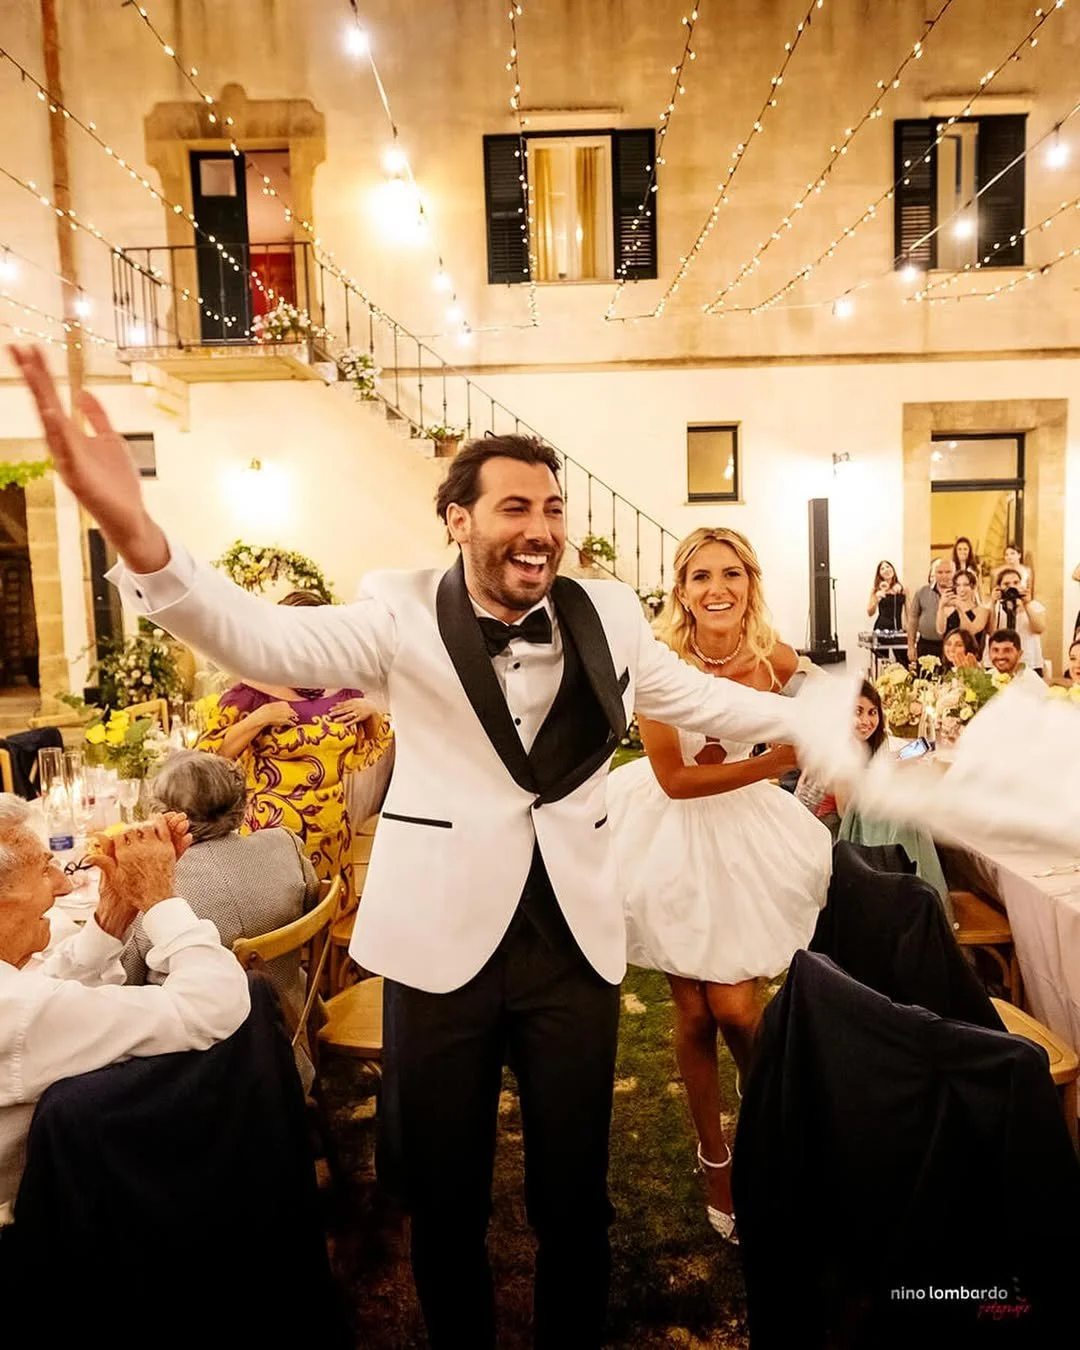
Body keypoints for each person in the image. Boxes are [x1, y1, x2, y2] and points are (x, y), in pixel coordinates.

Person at [8, 343, 858, 1350]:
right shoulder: (396, 611)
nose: (540, 528)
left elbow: (697, 696)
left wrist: (820, 722)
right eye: (514, 508)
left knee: (574, 1198)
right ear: (458, 520)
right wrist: (135, 528)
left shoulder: (610, 617)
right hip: (439, 946)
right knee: (445, 1200)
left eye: (552, 509)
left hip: (571, 943)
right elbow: (258, 639)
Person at [607, 529, 832, 1244]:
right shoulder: (657, 665)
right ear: (681, 588)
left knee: (737, 1005)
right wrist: (775, 763)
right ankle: (716, 1157)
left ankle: (772, 1120)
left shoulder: (773, 656)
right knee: (696, 1012)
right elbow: (673, 781)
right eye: (700, 576)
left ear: (749, 581)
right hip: (672, 836)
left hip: (745, 838)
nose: (717, 589)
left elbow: (833, 701)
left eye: (730, 574)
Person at [0, 801, 250, 1227]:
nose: (62, 887)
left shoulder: (21, 1003)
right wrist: (160, 898)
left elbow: (42, 1003)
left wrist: (112, 918)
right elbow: (215, 1005)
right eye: (45, 870)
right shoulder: (20, 1010)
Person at [196, 589, 391, 917]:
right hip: (275, 835)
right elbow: (209, 759)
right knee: (283, 925)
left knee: (329, 920)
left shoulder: (342, 686)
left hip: (333, 832)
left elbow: (367, 747)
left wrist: (370, 712)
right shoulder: (251, 692)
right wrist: (260, 718)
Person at [122, 751, 322, 1015]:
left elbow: (126, 984)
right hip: (293, 1018)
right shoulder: (286, 845)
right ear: (239, 801)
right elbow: (312, 906)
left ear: (163, 815)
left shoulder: (152, 895)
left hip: (205, 1046)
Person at [796, 680, 886, 835]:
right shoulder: (840, 751)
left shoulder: (850, 743)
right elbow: (846, 813)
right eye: (858, 711)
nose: (866, 721)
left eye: (872, 712)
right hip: (819, 835)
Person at [981, 569, 1045, 677]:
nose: (1012, 587)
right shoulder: (992, 607)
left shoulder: (1034, 606)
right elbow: (990, 631)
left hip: (1028, 662)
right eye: (1006, 584)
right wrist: (993, 602)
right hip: (998, 662)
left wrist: (1026, 604)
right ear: (999, 588)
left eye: (1016, 583)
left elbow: (1039, 628)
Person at [906, 558, 954, 664]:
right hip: (926, 645)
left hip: (952, 649)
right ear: (934, 573)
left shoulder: (959, 593)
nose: (944, 575)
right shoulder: (922, 592)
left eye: (948, 572)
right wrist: (911, 646)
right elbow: (913, 619)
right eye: (940, 572)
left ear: (954, 572)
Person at [866, 560, 906, 663]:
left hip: (898, 629)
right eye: (882, 569)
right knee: (881, 662)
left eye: (888, 567)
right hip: (881, 628)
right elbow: (870, 612)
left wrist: (909, 629)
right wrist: (877, 598)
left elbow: (909, 612)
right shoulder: (875, 590)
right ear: (879, 574)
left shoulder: (902, 589)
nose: (886, 570)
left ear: (893, 569)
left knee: (904, 661)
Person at [934, 569, 987, 644]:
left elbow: (969, 632)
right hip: (950, 652)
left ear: (973, 587)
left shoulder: (983, 611)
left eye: (966, 585)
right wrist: (941, 606)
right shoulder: (948, 609)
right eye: (958, 585)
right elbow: (940, 631)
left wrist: (960, 609)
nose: (962, 589)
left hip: (971, 653)